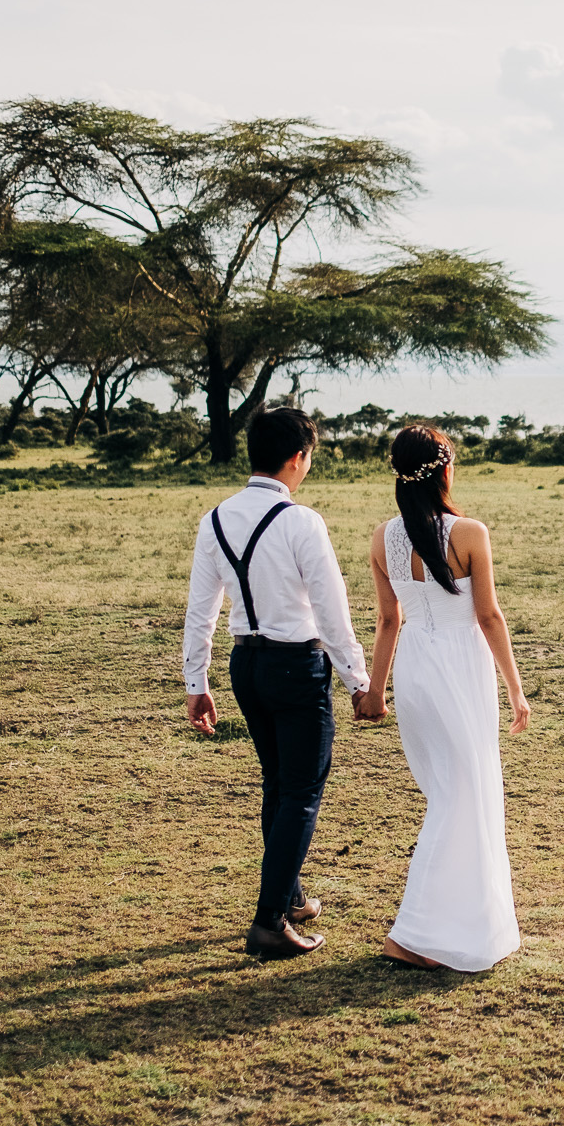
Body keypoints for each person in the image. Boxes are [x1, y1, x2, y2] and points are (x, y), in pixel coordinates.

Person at [183, 407, 371, 959]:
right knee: (300, 792)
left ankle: (288, 896)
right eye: (309, 457)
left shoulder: (215, 518)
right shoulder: (301, 521)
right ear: (298, 458)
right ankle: (269, 922)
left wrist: (198, 680)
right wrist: (358, 680)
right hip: (297, 668)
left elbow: (201, 610)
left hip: (247, 667)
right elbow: (332, 612)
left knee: (277, 784)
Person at [357, 425, 531, 972]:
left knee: (451, 795)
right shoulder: (470, 533)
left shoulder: (382, 538)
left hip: (415, 669)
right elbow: (488, 617)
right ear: (446, 471)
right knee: (464, 797)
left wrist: (376, 692)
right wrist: (515, 688)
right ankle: (414, 935)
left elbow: (389, 621)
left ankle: (450, 927)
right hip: (460, 668)